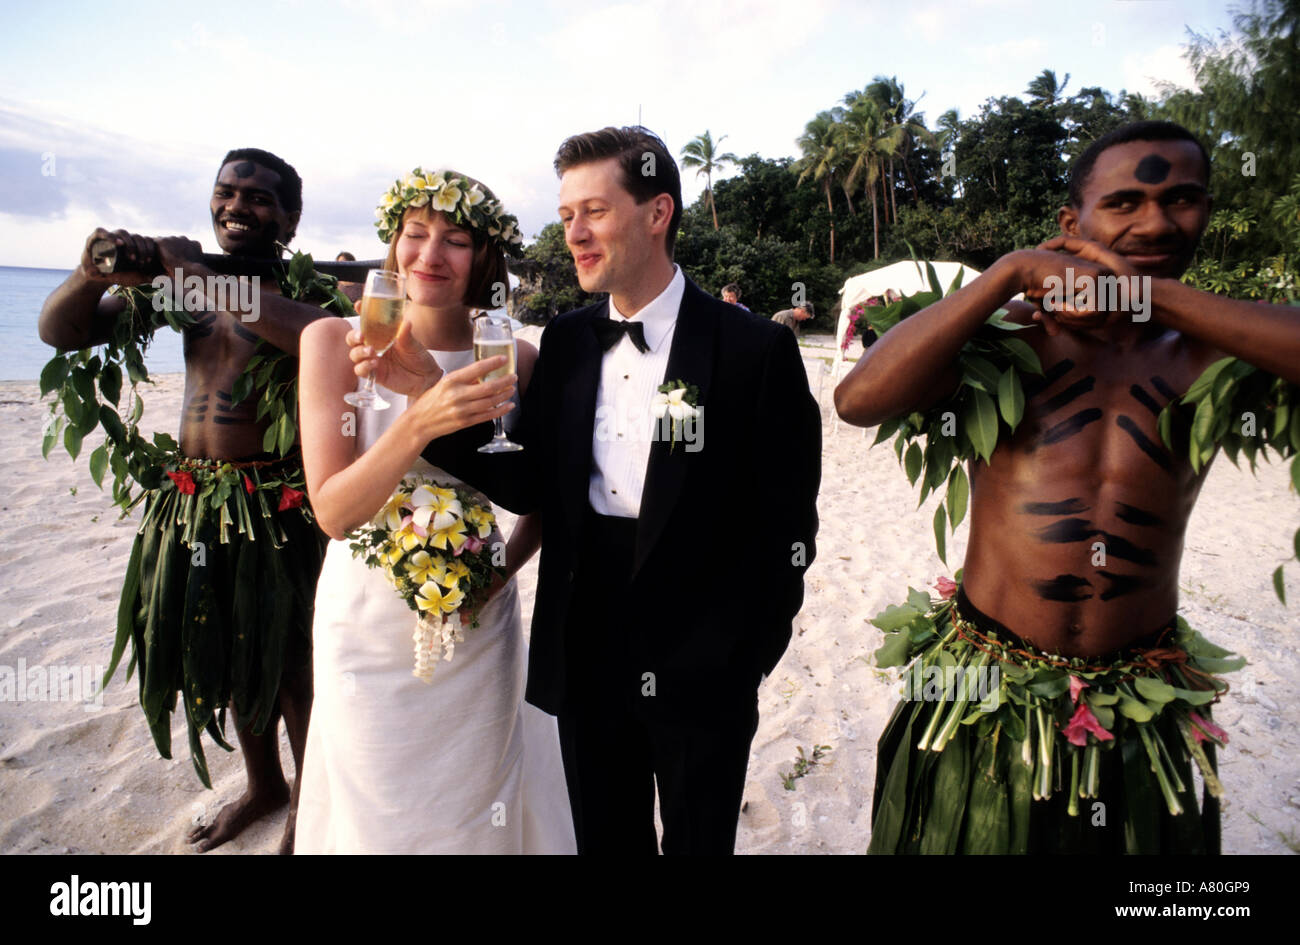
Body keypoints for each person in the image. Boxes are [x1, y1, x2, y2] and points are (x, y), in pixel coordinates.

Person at [835, 120, 1300, 853]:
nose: (1155, 221)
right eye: (1124, 202)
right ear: (1070, 224)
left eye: (1182, 198)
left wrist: (1147, 296)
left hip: (1143, 696)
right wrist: (1007, 273)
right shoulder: (1008, 338)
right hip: (985, 682)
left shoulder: (1216, 352)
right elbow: (859, 399)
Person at [367, 127, 822, 854]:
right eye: (566, 214)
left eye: (594, 212)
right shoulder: (569, 341)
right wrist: (426, 404)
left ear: (657, 212)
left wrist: (747, 654)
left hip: (705, 654)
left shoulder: (753, 350)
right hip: (583, 642)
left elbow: (789, 525)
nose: (574, 233)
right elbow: (530, 482)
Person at [38, 148, 337, 853]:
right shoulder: (181, 292)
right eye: (226, 191)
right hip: (196, 496)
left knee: (293, 657)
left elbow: (315, 339)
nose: (238, 205)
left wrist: (198, 277)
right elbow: (62, 332)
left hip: (276, 496)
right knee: (226, 639)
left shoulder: (312, 290)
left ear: (290, 218)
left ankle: (308, 803)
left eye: (260, 198)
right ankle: (264, 784)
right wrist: (92, 273)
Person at [294, 168, 575, 853]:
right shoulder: (336, 342)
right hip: (364, 626)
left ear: (483, 256)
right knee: (375, 811)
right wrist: (420, 421)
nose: (429, 256)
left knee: (475, 806)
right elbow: (332, 511)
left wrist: (496, 579)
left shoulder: (513, 354)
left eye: (454, 239)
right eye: (414, 235)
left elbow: (544, 496)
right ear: (392, 246)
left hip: (477, 630)